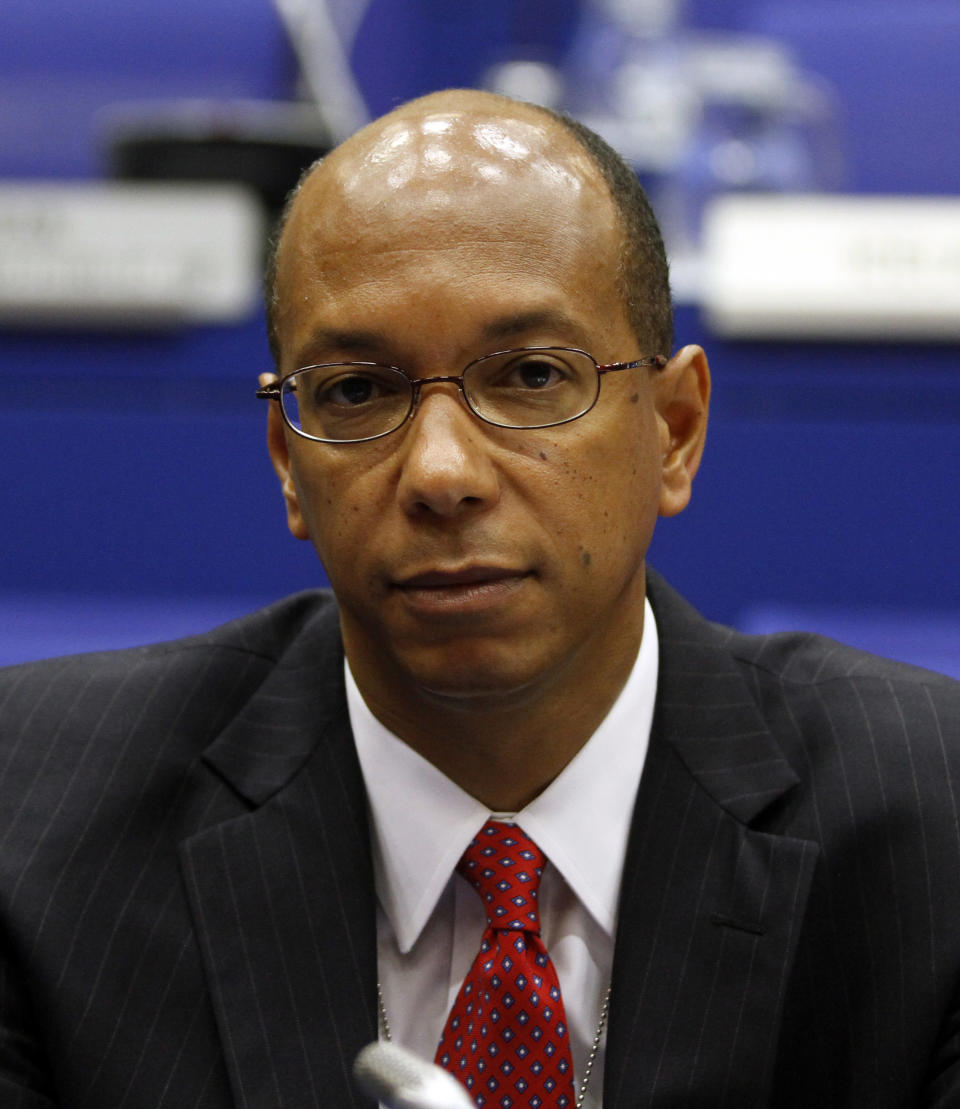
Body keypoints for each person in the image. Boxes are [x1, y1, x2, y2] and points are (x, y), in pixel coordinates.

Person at [1, 88, 958, 1109]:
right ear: (288, 462)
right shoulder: (32, 819)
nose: (441, 472)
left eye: (533, 374)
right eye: (357, 391)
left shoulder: (932, 831)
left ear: (673, 429)